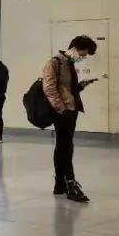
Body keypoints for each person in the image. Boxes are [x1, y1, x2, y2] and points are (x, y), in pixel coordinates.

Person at [43, 35, 98, 203]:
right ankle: (70, 183)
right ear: (74, 48)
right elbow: (49, 88)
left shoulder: (69, 63)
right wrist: (60, 108)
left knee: (63, 147)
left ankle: (60, 184)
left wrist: (81, 86)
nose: (83, 57)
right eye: (82, 54)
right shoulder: (54, 62)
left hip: (71, 111)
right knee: (66, 148)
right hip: (62, 112)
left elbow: (67, 89)